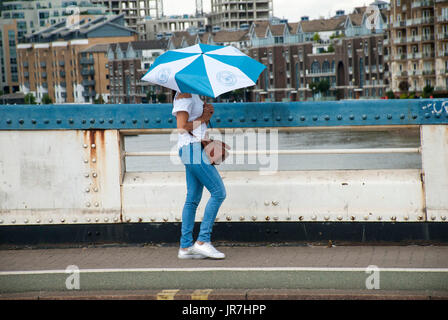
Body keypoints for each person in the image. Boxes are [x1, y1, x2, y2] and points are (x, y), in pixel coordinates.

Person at [172, 91, 227, 259]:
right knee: (219, 192)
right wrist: (203, 118)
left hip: (194, 148)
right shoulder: (183, 96)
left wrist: (207, 115)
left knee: (193, 199)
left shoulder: (193, 95)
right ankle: (203, 241)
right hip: (192, 150)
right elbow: (181, 127)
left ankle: (186, 247)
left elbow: (195, 125)